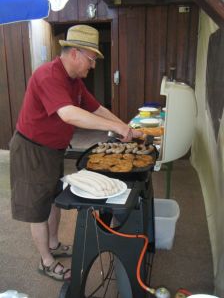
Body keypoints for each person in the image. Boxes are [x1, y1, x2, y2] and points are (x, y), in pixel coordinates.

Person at [9, 24, 142, 282]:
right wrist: (114, 127)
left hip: (53, 150)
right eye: (91, 59)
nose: (92, 66)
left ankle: (55, 244)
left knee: (52, 199)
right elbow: (68, 113)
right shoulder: (48, 75)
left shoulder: (75, 82)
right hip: (31, 149)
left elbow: (96, 108)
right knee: (38, 206)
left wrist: (124, 126)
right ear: (75, 54)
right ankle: (46, 261)